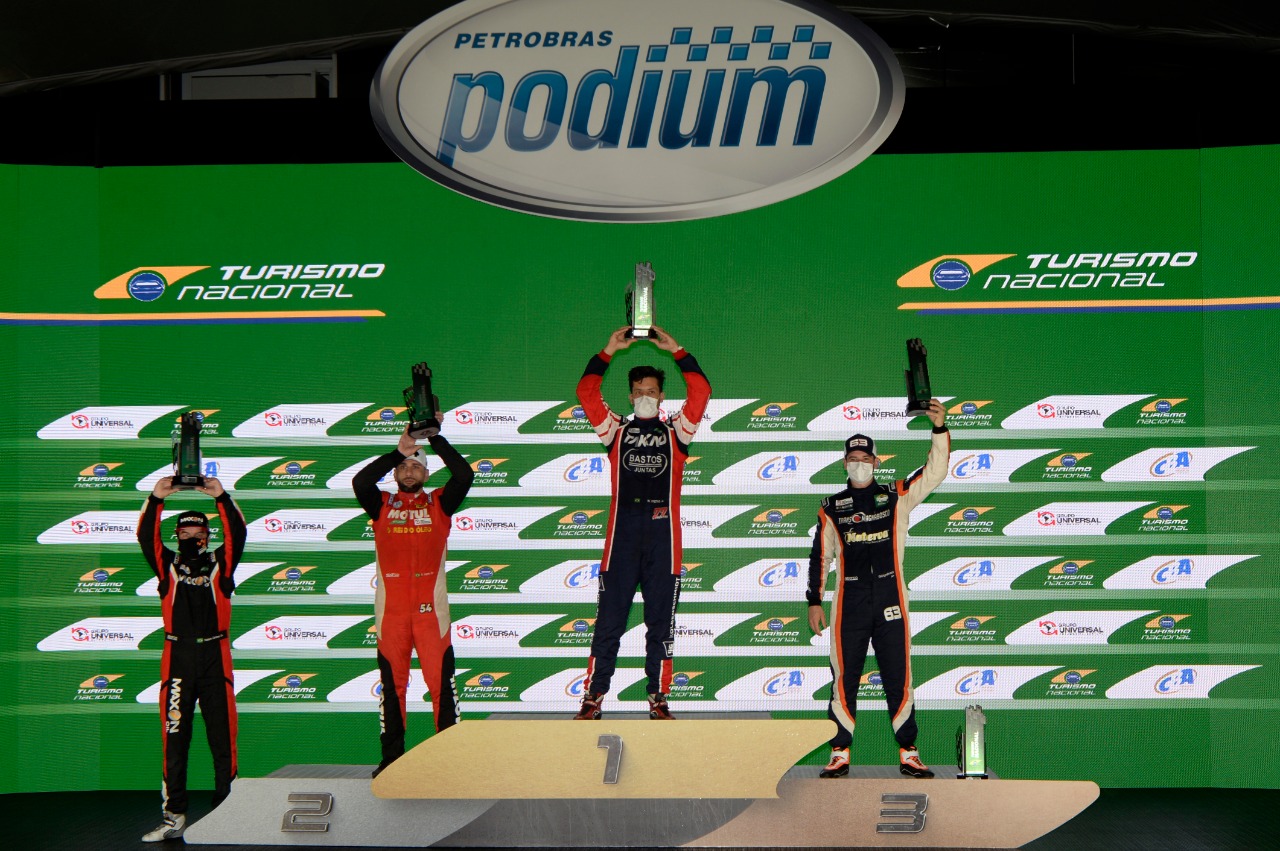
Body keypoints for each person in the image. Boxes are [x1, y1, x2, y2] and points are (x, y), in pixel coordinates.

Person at [806, 400, 949, 779]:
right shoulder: (831, 507)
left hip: (890, 596)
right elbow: (821, 556)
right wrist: (814, 600)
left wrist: (938, 429)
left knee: (898, 675)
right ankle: (839, 752)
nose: (859, 464)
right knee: (844, 677)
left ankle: (909, 751)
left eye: (865, 458)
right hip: (849, 601)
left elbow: (934, 473)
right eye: (853, 459)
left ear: (876, 461)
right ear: (844, 463)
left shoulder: (897, 494)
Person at [573, 326, 711, 720]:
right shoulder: (615, 430)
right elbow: (586, 392)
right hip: (621, 539)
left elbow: (701, 391)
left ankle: (658, 697)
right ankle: (593, 697)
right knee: (608, 624)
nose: (645, 396)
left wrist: (677, 350)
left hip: (663, 541)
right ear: (630, 396)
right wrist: (608, 350)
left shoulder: (677, 431)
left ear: (662, 395)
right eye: (638, 392)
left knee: (661, 626)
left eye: (652, 391)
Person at [353, 421, 474, 776]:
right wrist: (399, 451)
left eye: (416, 466)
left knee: (442, 688)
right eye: (404, 467)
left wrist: (433, 437)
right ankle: (392, 760)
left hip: (431, 614)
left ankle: (450, 760)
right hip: (391, 615)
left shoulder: (439, 503)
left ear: (426, 473)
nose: (409, 472)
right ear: (394, 473)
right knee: (393, 689)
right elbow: (360, 482)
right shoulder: (380, 504)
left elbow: (464, 475)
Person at [137, 476, 247, 842]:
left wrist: (221, 497)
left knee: (223, 737)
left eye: (198, 532)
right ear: (176, 535)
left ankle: (227, 812)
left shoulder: (222, 563)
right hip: (178, 656)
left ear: (208, 535)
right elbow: (145, 537)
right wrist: (156, 498)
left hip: (216, 654)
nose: (191, 538)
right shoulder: (166, 564)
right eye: (184, 532)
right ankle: (174, 815)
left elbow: (238, 533)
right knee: (175, 738)